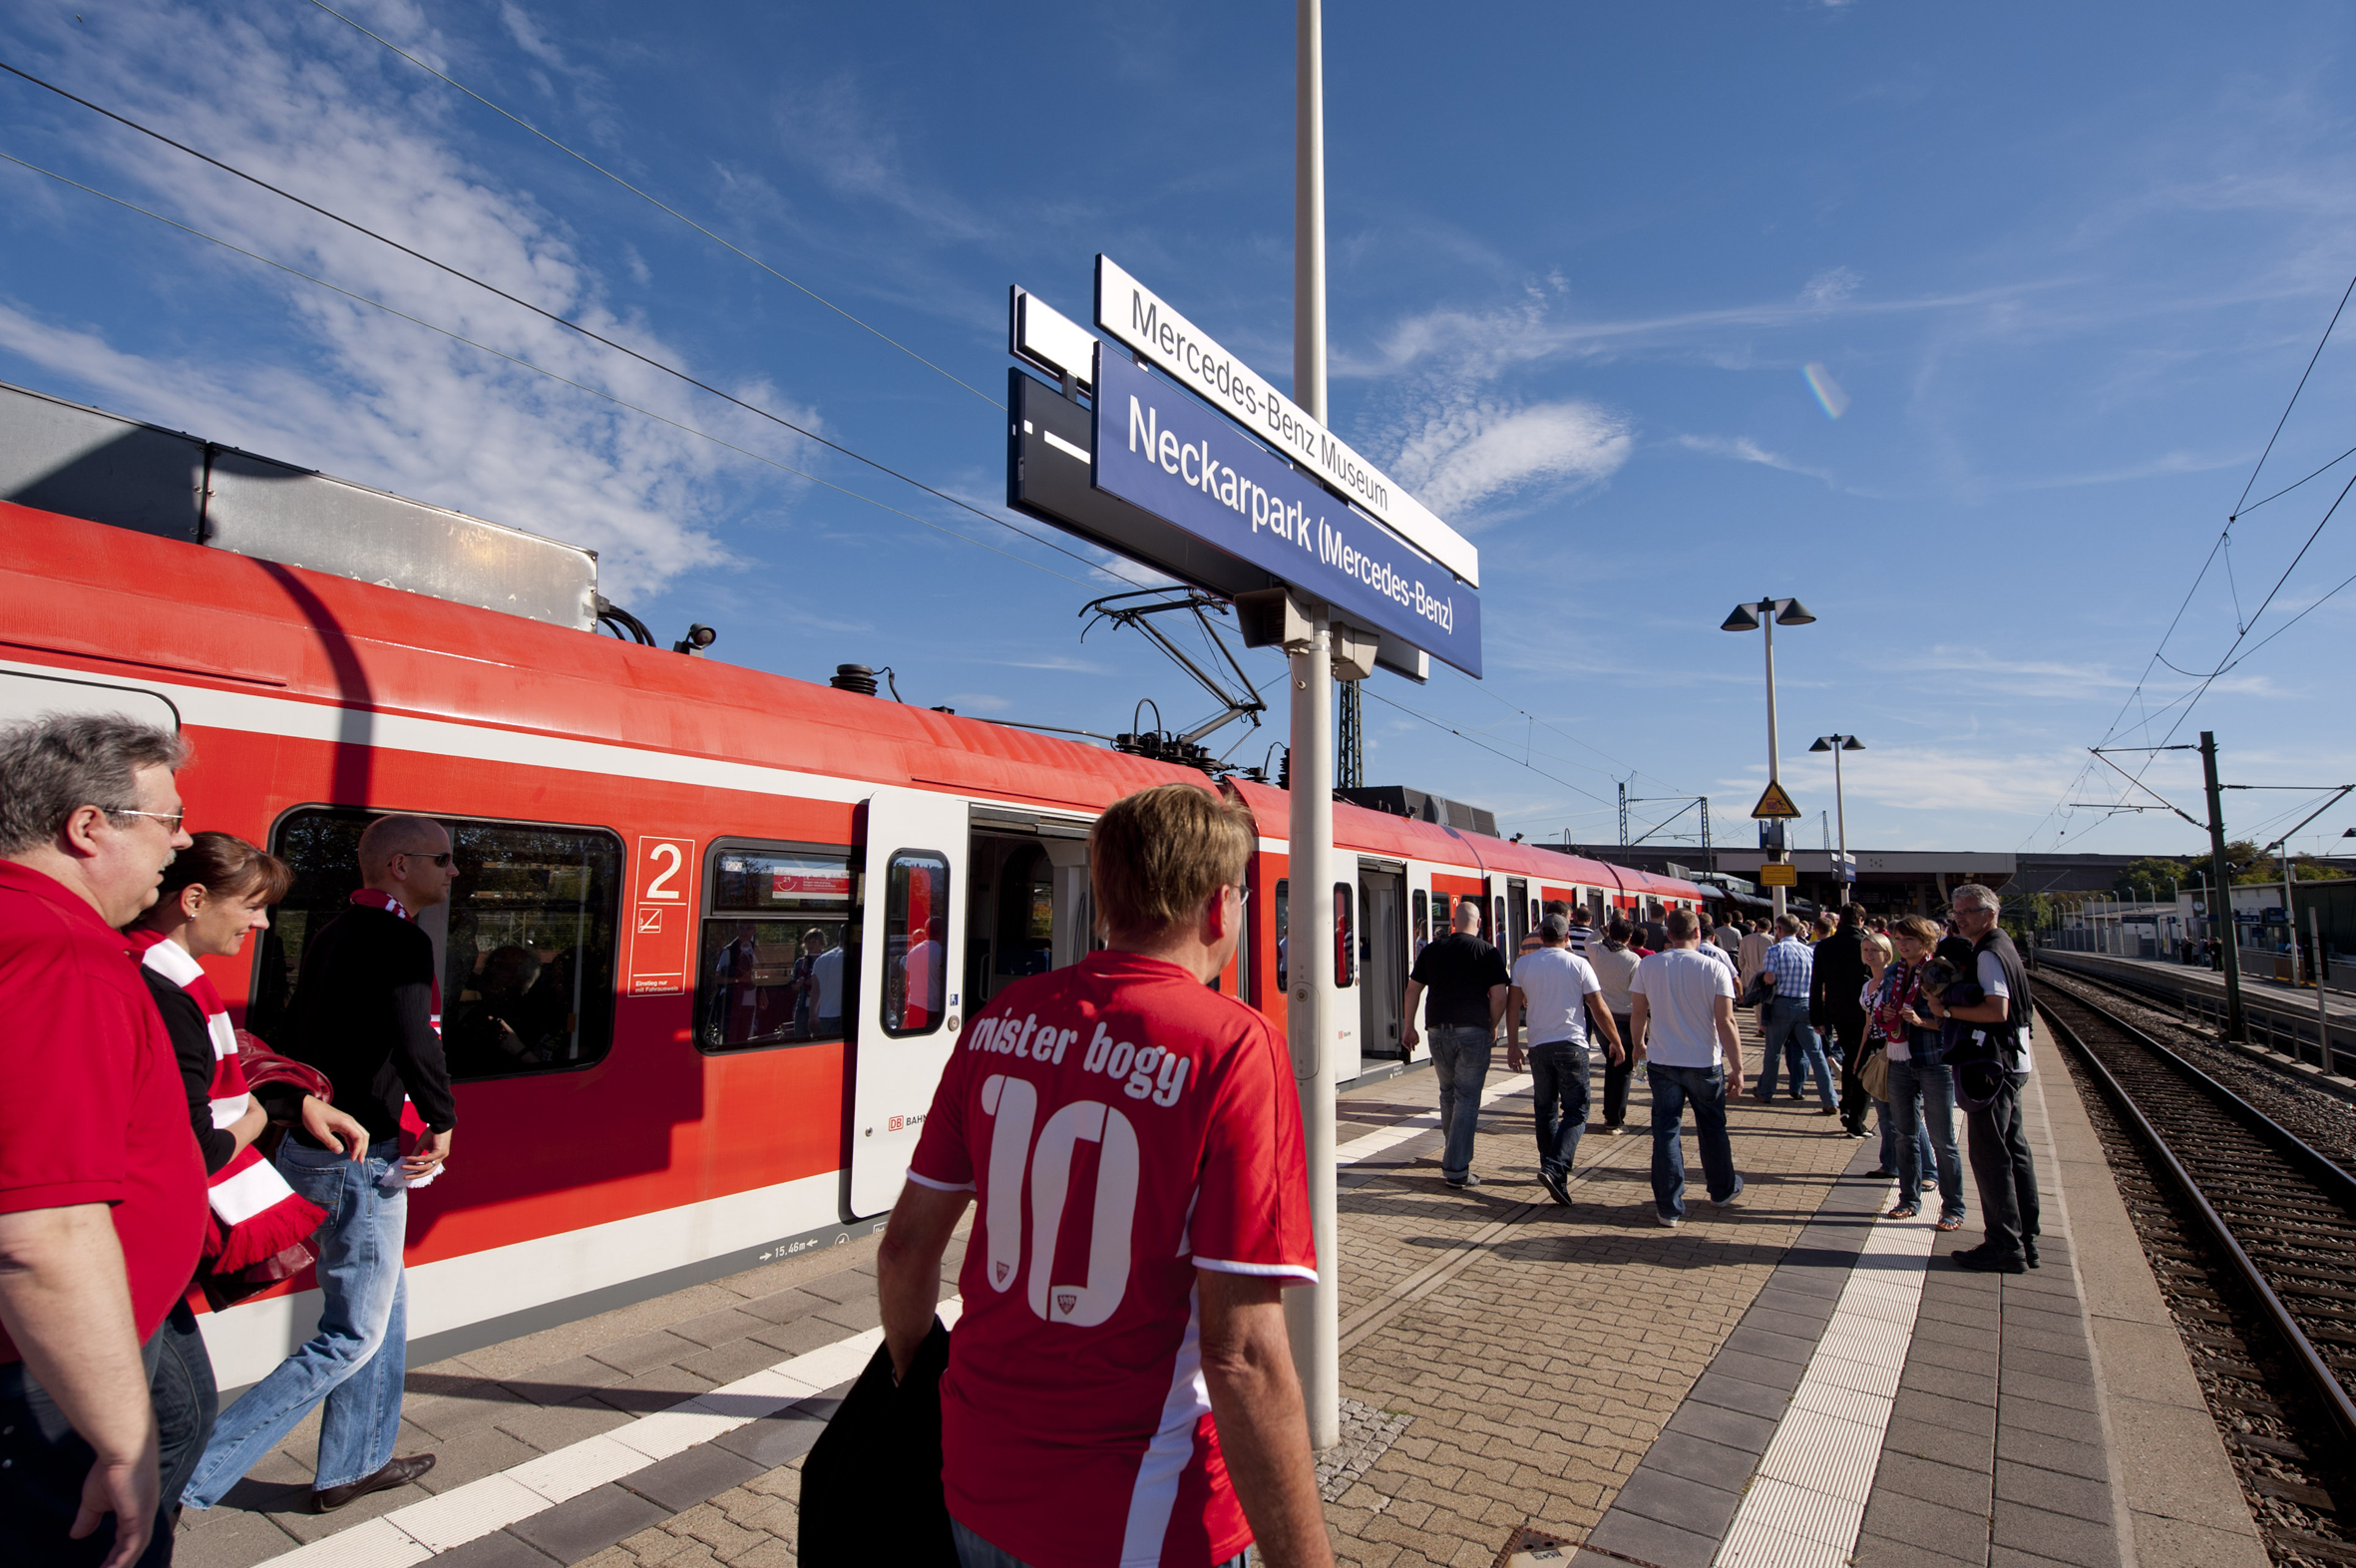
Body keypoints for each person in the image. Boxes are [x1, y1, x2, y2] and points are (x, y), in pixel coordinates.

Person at [876, 784, 1330, 1568]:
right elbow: (1243, 1355)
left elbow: (905, 1251)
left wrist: (918, 1375)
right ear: (1221, 909)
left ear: (1104, 901)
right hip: (1140, 1515)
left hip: (976, 1479)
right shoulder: (1230, 1049)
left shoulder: (1002, 1021)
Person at [181, 814, 457, 1515]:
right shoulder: (399, 940)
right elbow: (415, 1038)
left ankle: (355, 1462)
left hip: (321, 1144)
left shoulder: (333, 932)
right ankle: (188, 1475)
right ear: (400, 866)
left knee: (383, 1310)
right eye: (444, 859)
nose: (454, 872)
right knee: (354, 1332)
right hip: (361, 1156)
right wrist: (443, 1118)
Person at [0, 715, 205, 1568]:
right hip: (44, 1381)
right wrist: (120, 1442)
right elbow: (40, 1237)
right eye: (168, 819)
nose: (183, 841)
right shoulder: (61, 959)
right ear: (89, 826)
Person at [125, 834, 371, 1514]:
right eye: (254, 907)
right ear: (194, 899)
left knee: (188, 1413)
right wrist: (257, 1121)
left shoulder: (166, 977)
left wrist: (294, 1101)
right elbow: (190, 1143)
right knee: (176, 1424)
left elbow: (212, 1080)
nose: (262, 924)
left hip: (145, 1252)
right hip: (130, 1250)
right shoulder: (161, 991)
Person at [1924, 886, 2041, 1274]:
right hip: (2011, 1062)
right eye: (1956, 912)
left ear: (1989, 913)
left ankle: (2004, 1247)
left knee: (1990, 1157)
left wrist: (1948, 1010)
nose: (1959, 918)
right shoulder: (2002, 945)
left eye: (1968, 912)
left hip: (1992, 1066)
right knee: (2014, 1150)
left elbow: (1996, 1011)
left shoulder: (1989, 954)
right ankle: (2027, 1237)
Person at [1629, 909, 1745, 1226]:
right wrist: (1737, 1067)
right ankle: (1721, 1191)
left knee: (1666, 1132)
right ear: (1698, 933)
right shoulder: (1715, 968)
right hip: (1704, 1062)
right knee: (1712, 1128)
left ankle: (1668, 1207)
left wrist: (1639, 1046)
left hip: (1662, 1061)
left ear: (1669, 934)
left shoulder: (1648, 965)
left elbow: (1638, 1013)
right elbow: (1726, 1021)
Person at [1504, 913, 1622, 1205]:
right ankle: (1555, 1167)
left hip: (1539, 1046)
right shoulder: (1579, 964)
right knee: (1577, 1112)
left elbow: (1513, 1006)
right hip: (1571, 1045)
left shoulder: (1524, 964)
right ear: (1567, 936)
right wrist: (1616, 1041)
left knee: (1545, 1111)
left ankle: (1550, 1167)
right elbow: (1598, 1006)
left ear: (1540, 936)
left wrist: (1513, 1045)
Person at [1402, 899, 1510, 1189]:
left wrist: (1408, 1027)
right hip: (1473, 1031)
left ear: (1453, 923)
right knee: (1467, 1099)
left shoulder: (1432, 949)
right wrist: (1493, 1023)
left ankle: (1453, 1152)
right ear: (1478, 924)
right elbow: (1500, 996)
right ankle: (1456, 1169)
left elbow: (1413, 989)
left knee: (1448, 1093)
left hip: (1437, 1030)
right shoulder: (1487, 951)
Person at [1879, 917, 1966, 1229]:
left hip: (1935, 1060)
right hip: (1900, 1060)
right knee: (1904, 1135)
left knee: (1943, 1140)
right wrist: (1886, 1014)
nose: (1903, 945)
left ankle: (1953, 1207)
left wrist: (1921, 1020)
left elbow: (1953, 1021)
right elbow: (1881, 1011)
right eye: (1899, 939)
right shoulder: (1893, 973)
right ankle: (1908, 1199)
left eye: (1910, 939)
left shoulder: (1940, 972)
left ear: (1927, 941)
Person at [1753, 916, 1836, 1116]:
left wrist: (1763, 978)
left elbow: (1770, 978)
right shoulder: (1810, 951)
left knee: (1773, 1051)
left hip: (1782, 1004)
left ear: (1779, 929)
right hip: (1806, 1004)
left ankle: (1766, 1092)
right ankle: (1829, 1098)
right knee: (1816, 1053)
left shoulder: (1774, 951)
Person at [1811, 906, 1874, 1138]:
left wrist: (1816, 1017)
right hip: (1864, 1011)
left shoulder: (1825, 946)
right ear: (1860, 919)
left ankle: (1848, 1107)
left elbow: (1816, 982)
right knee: (1862, 1061)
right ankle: (1856, 1117)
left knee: (1850, 1057)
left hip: (1836, 1011)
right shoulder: (1867, 944)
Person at [1587, 921, 1643, 1135]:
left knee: (1612, 1063)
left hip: (1601, 1019)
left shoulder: (1597, 952)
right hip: (1625, 1019)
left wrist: (1603, 929)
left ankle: (1610, 1113)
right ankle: (1614, 1119)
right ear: (1629, 939)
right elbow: (1637, 992)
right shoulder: (1633, 960)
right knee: (1623, 1070)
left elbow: (1589, 939)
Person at [811, 930, 846, 1036]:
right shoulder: (854, 958)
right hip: (842, 1015)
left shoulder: (821, 959)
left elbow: (815, 991)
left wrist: (812, 1017)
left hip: (824, 1015)